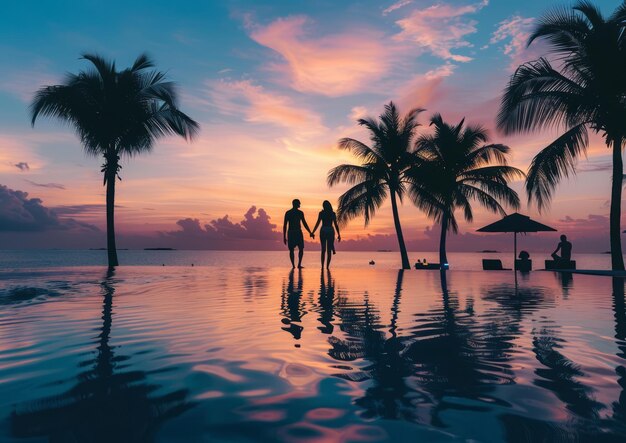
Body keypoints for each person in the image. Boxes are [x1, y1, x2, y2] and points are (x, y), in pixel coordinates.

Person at [283, 199, 313, 269]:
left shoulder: (300, 213)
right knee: (291, 250)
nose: (300, 205)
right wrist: (284, 237)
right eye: (299, 203)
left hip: (298, 232)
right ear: (295, 204)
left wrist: (310, 232)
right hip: (291, 232)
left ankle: (298, 264)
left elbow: (304, 223)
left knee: (301, 248)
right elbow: (285, 225)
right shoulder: (288, 213)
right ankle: (293, 265)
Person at [311, 200, 341, 269]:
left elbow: (318, 223)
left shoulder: (322, 213)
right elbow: (335, 224)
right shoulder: (332, 213)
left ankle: (322, 267)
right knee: (328, 250)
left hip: (324, 230)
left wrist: (313, 232)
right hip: (330, 230)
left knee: (323, 250)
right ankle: (327, 267)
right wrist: (339, 234)